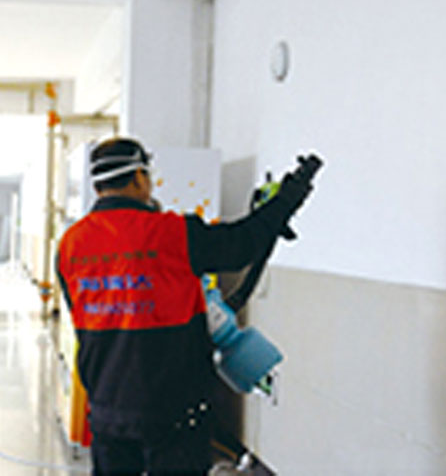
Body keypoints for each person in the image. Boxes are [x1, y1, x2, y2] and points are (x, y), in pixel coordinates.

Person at [56, 137, 316, 475]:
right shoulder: (172, 232)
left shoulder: (70, 244)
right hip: (174, 414)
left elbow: (83, 312)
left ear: (98, 186)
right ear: (139, 177)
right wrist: (285, 202)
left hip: (107, 410)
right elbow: (241, 244)